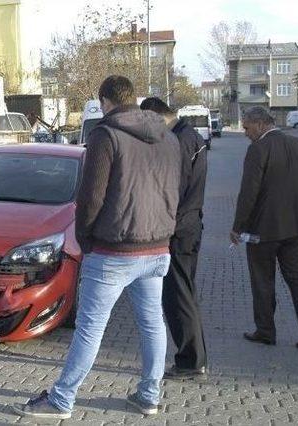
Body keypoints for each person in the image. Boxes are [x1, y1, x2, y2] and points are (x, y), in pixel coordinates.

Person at [13, 75, 181, 419]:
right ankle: (149, 396)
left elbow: (90, 197)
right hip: (157, 247)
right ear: (133, 98)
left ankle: (61, 400)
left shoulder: (106, 135)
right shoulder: (168, 137)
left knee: (91, 328)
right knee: (152, 323)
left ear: (105, 102)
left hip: (113, 250)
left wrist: (85, 239)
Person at [231, 106, 298, 349]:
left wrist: (238, 226)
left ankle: (265, 331)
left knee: (262, 281)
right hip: (296, 226)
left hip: (263, 230)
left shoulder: (258, 149)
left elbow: (249, 193)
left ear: (260, 124)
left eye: (247, 127)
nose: (245, 133)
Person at [140, 97, 208, 380]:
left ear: (156, 116)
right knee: (185, 293)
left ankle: (191, 361)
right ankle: (196, 358)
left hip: (178, 230)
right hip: (189, 226)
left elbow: (173, 191)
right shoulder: (190, 135)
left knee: (178, 296)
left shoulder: (178, 141)